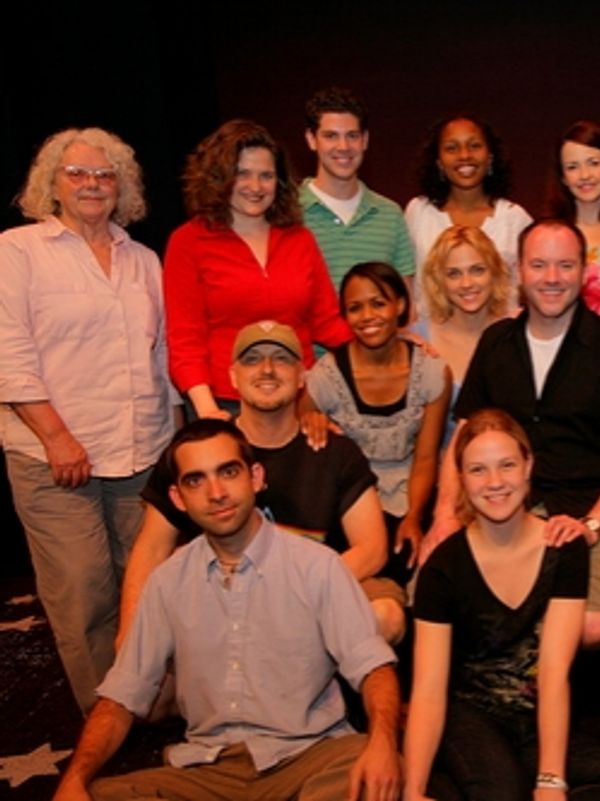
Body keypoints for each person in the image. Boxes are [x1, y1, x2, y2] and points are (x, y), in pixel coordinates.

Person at [52, 420, 401, 801]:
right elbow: (121, 696)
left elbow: (373, 668)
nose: (216, 493)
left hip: (310, 757)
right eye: (196, 481)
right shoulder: (167, 582)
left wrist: (382, 745)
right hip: (208, 770)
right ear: (179, 498)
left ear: (255, 477)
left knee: (364, 772)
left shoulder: (318, 566)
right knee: (100, 795)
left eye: (228, 472)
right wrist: (74, 779)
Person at [0, 127, 177, 713]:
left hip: (141, 449)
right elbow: (9, 354)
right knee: (83, 591)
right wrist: (56, 436)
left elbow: (162, 354)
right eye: (77, 173)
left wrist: (174, 441)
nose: (92, 185)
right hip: (55, 456)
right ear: (51, 184)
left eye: (104, 175)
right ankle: (111, 715)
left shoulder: (143, 259)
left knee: (148, 587)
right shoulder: (17, 251)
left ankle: (158, 701)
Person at [429, 219, 600, 649]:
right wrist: (443, 517)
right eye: (539, 265)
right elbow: (463, 437)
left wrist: (591, 527)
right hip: (501, 504)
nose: (552, 278)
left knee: (592, 626)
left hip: (587, 513)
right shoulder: (496, 342)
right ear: (520, 270)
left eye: (564, 265)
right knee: (432, 596)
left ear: (583, 271)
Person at [404, 409, 600, 801]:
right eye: (478, 470)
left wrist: (551, 780)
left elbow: (553, 672)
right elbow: (428, 691)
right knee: (502, 793)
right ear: (462, 478)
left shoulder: (562, 548)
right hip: (471, 715)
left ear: (528, 465)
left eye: (507, 465)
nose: (495, 483)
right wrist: (412, 791)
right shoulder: (443, 568)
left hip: (537, 718)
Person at [119, 321, 403, 648]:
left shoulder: (335, 450)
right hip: (221, 597)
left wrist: (282, 596)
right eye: (252, 359)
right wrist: (129, 636)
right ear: (232, 376)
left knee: (385, 615)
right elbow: (151, 548)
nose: (267, 369)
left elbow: (371, 550)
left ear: (302, 377)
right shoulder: (198, 450)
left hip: (318, 593)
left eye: (281, 359)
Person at [165, 119, 351, 419]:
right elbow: (185, 339)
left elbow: (327, 322)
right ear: (219, 177)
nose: (256, 187)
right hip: (224, 405)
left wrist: (388, 342)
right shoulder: (188, 241)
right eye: (243, 174)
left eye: (266, 176)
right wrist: (207, 410)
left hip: (297, 400)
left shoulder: (299, 238)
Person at [305, 262, 450, 572]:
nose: (367, 316)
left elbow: (426, 458)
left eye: (378, 303)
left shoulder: (431, 371)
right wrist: (310, 421)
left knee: (414, 562)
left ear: (399, 305)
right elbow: (299, 422)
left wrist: (413, 517)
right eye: (355, 308)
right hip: (347, 503)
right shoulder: (327, 376)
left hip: (411, 495)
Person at [406, 114, 532, 316]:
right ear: (439, 161)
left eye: (474, 145)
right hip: (430, 343)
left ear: (490, 157)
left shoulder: (515, 219)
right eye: (451, 148)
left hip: (499, 342)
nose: (464, 155)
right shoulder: (419, 213)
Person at [300, 86, 417, 295]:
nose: (343, 146)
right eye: (331, 136)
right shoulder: (288, 212)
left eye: (352, 135)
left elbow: (404, 305)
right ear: (311, 139)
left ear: (365, 140)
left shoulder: (390, 215)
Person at [416, 225, 513, 408]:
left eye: (477, 270)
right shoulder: (417, 339)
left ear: (494, 271)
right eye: (454, 274)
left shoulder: (516, 334)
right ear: (439, 280)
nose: (466, 283)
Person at [546, 119, 600, 324]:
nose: (584, 175)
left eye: (593, 163)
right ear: (563, 177)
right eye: (573, 167)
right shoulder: (551, 236)